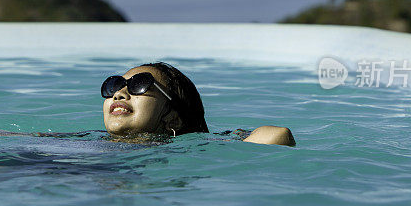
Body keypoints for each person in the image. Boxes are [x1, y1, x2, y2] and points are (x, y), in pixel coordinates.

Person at [102, 62, 295, 146]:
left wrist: (236, 137)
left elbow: (278, 135)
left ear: (173, 119)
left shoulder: (185, 149)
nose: (119, 93)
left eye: (139, 85)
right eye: (115, 85)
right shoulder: (83, 141)